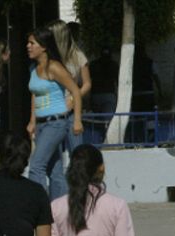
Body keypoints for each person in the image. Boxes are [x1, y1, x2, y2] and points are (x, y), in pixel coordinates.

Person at [26, 27, 84, 201]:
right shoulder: (34, 68)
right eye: (28, 43)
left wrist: (77, 120)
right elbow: (35, 95)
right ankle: (58, 213)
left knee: (36, 166)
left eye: (32, 43)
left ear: (43, 46)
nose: (28, 46)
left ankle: (38, 209)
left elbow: (75, 91)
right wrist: (32, 121)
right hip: (42, 124)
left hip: (56, 123)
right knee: (54, 170)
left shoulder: (55, 67)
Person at [46, 19, 91, 153]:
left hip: (71, 111)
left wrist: (72, 99)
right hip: (51, 110)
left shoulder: (78, 56)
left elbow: (87, 83)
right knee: (54, 155)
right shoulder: (48, 58)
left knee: (77, 153)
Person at [89, 47, 119, 114]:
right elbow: (118, 81)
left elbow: (88, 80)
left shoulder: (94, 64)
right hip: (109, 94)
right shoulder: (114, 65)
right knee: (107, 121)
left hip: (96, 94)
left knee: (96, 119)